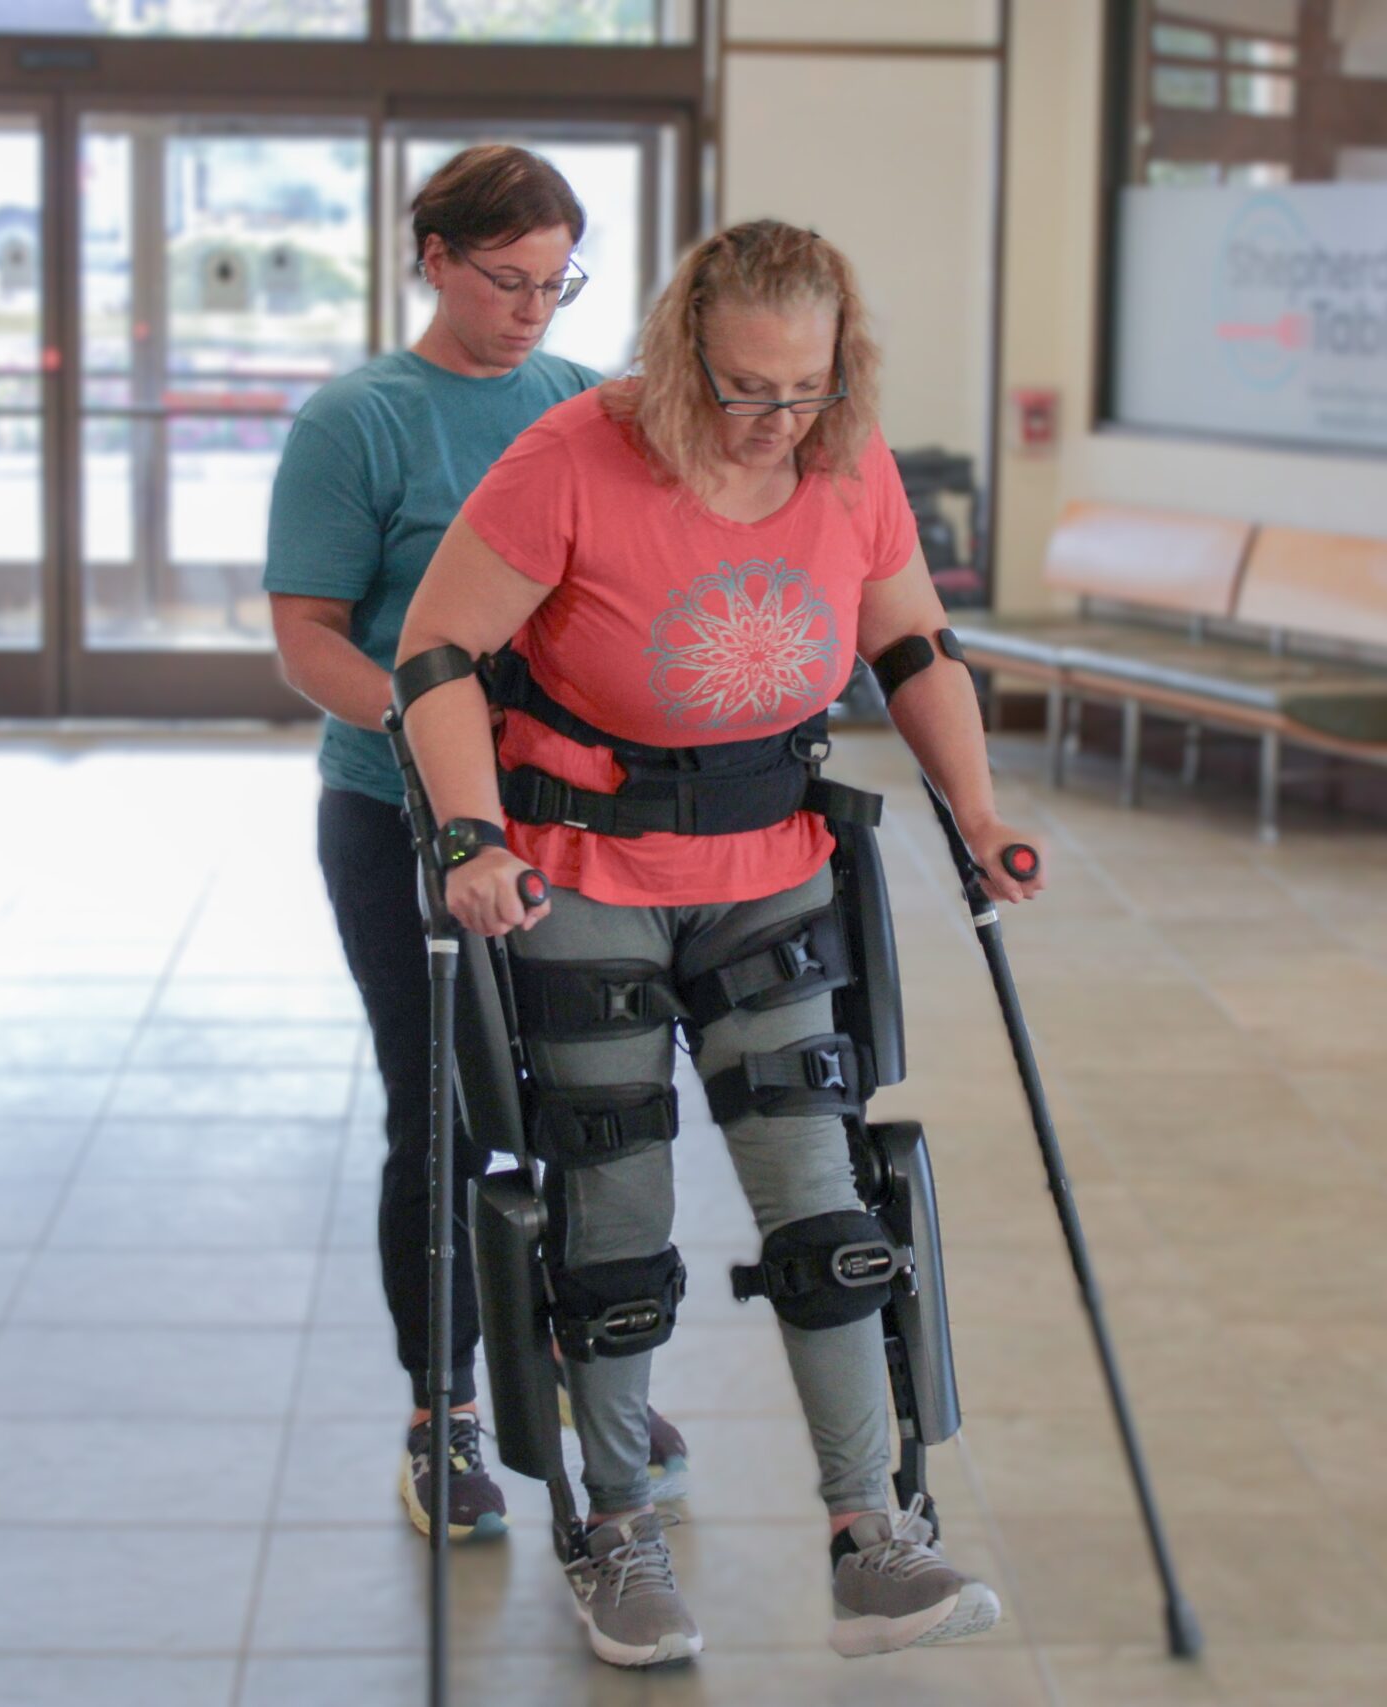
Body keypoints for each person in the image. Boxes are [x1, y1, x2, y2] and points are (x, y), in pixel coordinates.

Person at [395, 219, 1043, 1667]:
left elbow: (912, 647)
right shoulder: (571, 455)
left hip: (771, 872)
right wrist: (467, 834)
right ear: (685, 351)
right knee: (615, 1221)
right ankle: (618, 1530)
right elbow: (434, 656)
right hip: (585, 872)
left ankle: (871, 1534)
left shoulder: (845, 458)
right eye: (747, 389)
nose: (773, 421)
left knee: (826, 1213)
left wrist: (982, 811)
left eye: (803, 390)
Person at [263, 144, 688, 1546]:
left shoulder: (578, 408)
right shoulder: (357, 424)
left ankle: (570, 1363)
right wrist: (426, 722)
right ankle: (438, 1410)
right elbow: (306, 638)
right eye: (505, 280)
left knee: (579, 1099)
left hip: (558, 819)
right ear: (433, 259)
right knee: (440, 1111)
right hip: (395, 817)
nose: (531, 310)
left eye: (557, 283)